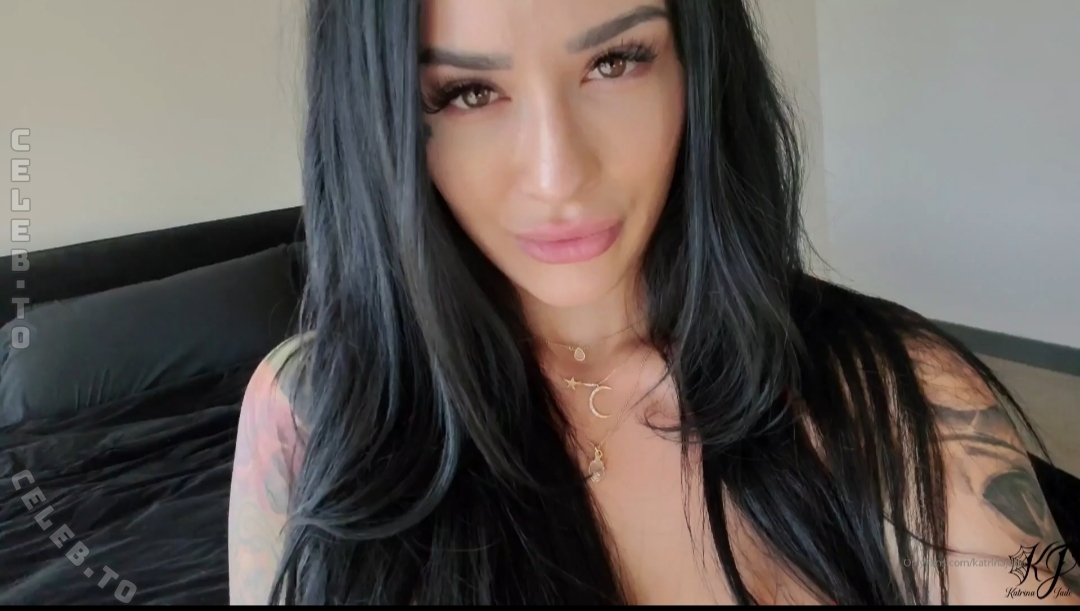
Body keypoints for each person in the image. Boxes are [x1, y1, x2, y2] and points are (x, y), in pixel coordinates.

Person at [227, 0, 1080, 605]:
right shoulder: (309, 409)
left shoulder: (904, 390)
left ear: (695, 67)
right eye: (467, 93)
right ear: (377, 121)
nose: (559, 175)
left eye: (615, 61)